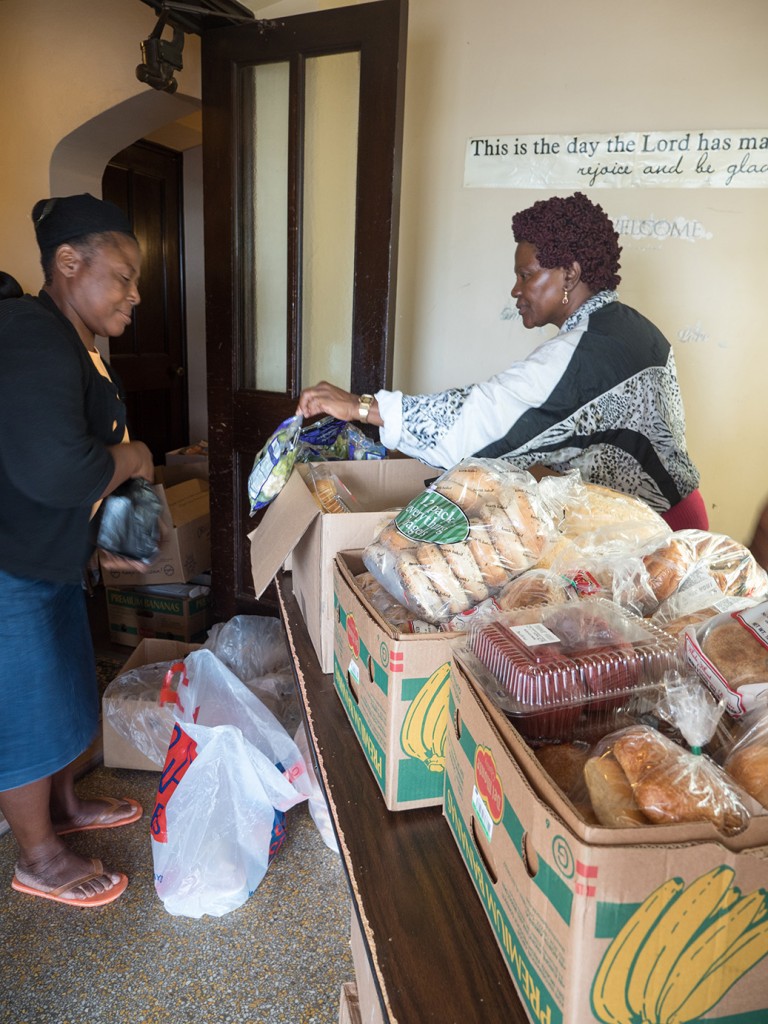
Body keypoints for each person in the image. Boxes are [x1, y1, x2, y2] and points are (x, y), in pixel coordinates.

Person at [297, 191, 707, 530]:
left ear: (569, 274)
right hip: (670, 519)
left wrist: (362, 407)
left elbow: (478, 420)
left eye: (526, 275)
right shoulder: (633, 329)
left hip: (655, 536)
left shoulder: (583, 353)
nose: (516, 289)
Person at [0, 194, 157, 907]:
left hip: (51, 559)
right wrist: (136, 457)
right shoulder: (31, 335)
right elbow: (59, 471)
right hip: (11, 566)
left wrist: (108, 540)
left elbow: (86, 462)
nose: (135, 293)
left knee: (65, 688)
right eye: (122, 275)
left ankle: (62, 808)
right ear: (69, 262)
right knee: (26, 710)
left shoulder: (79, 345)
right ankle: (37, 858)